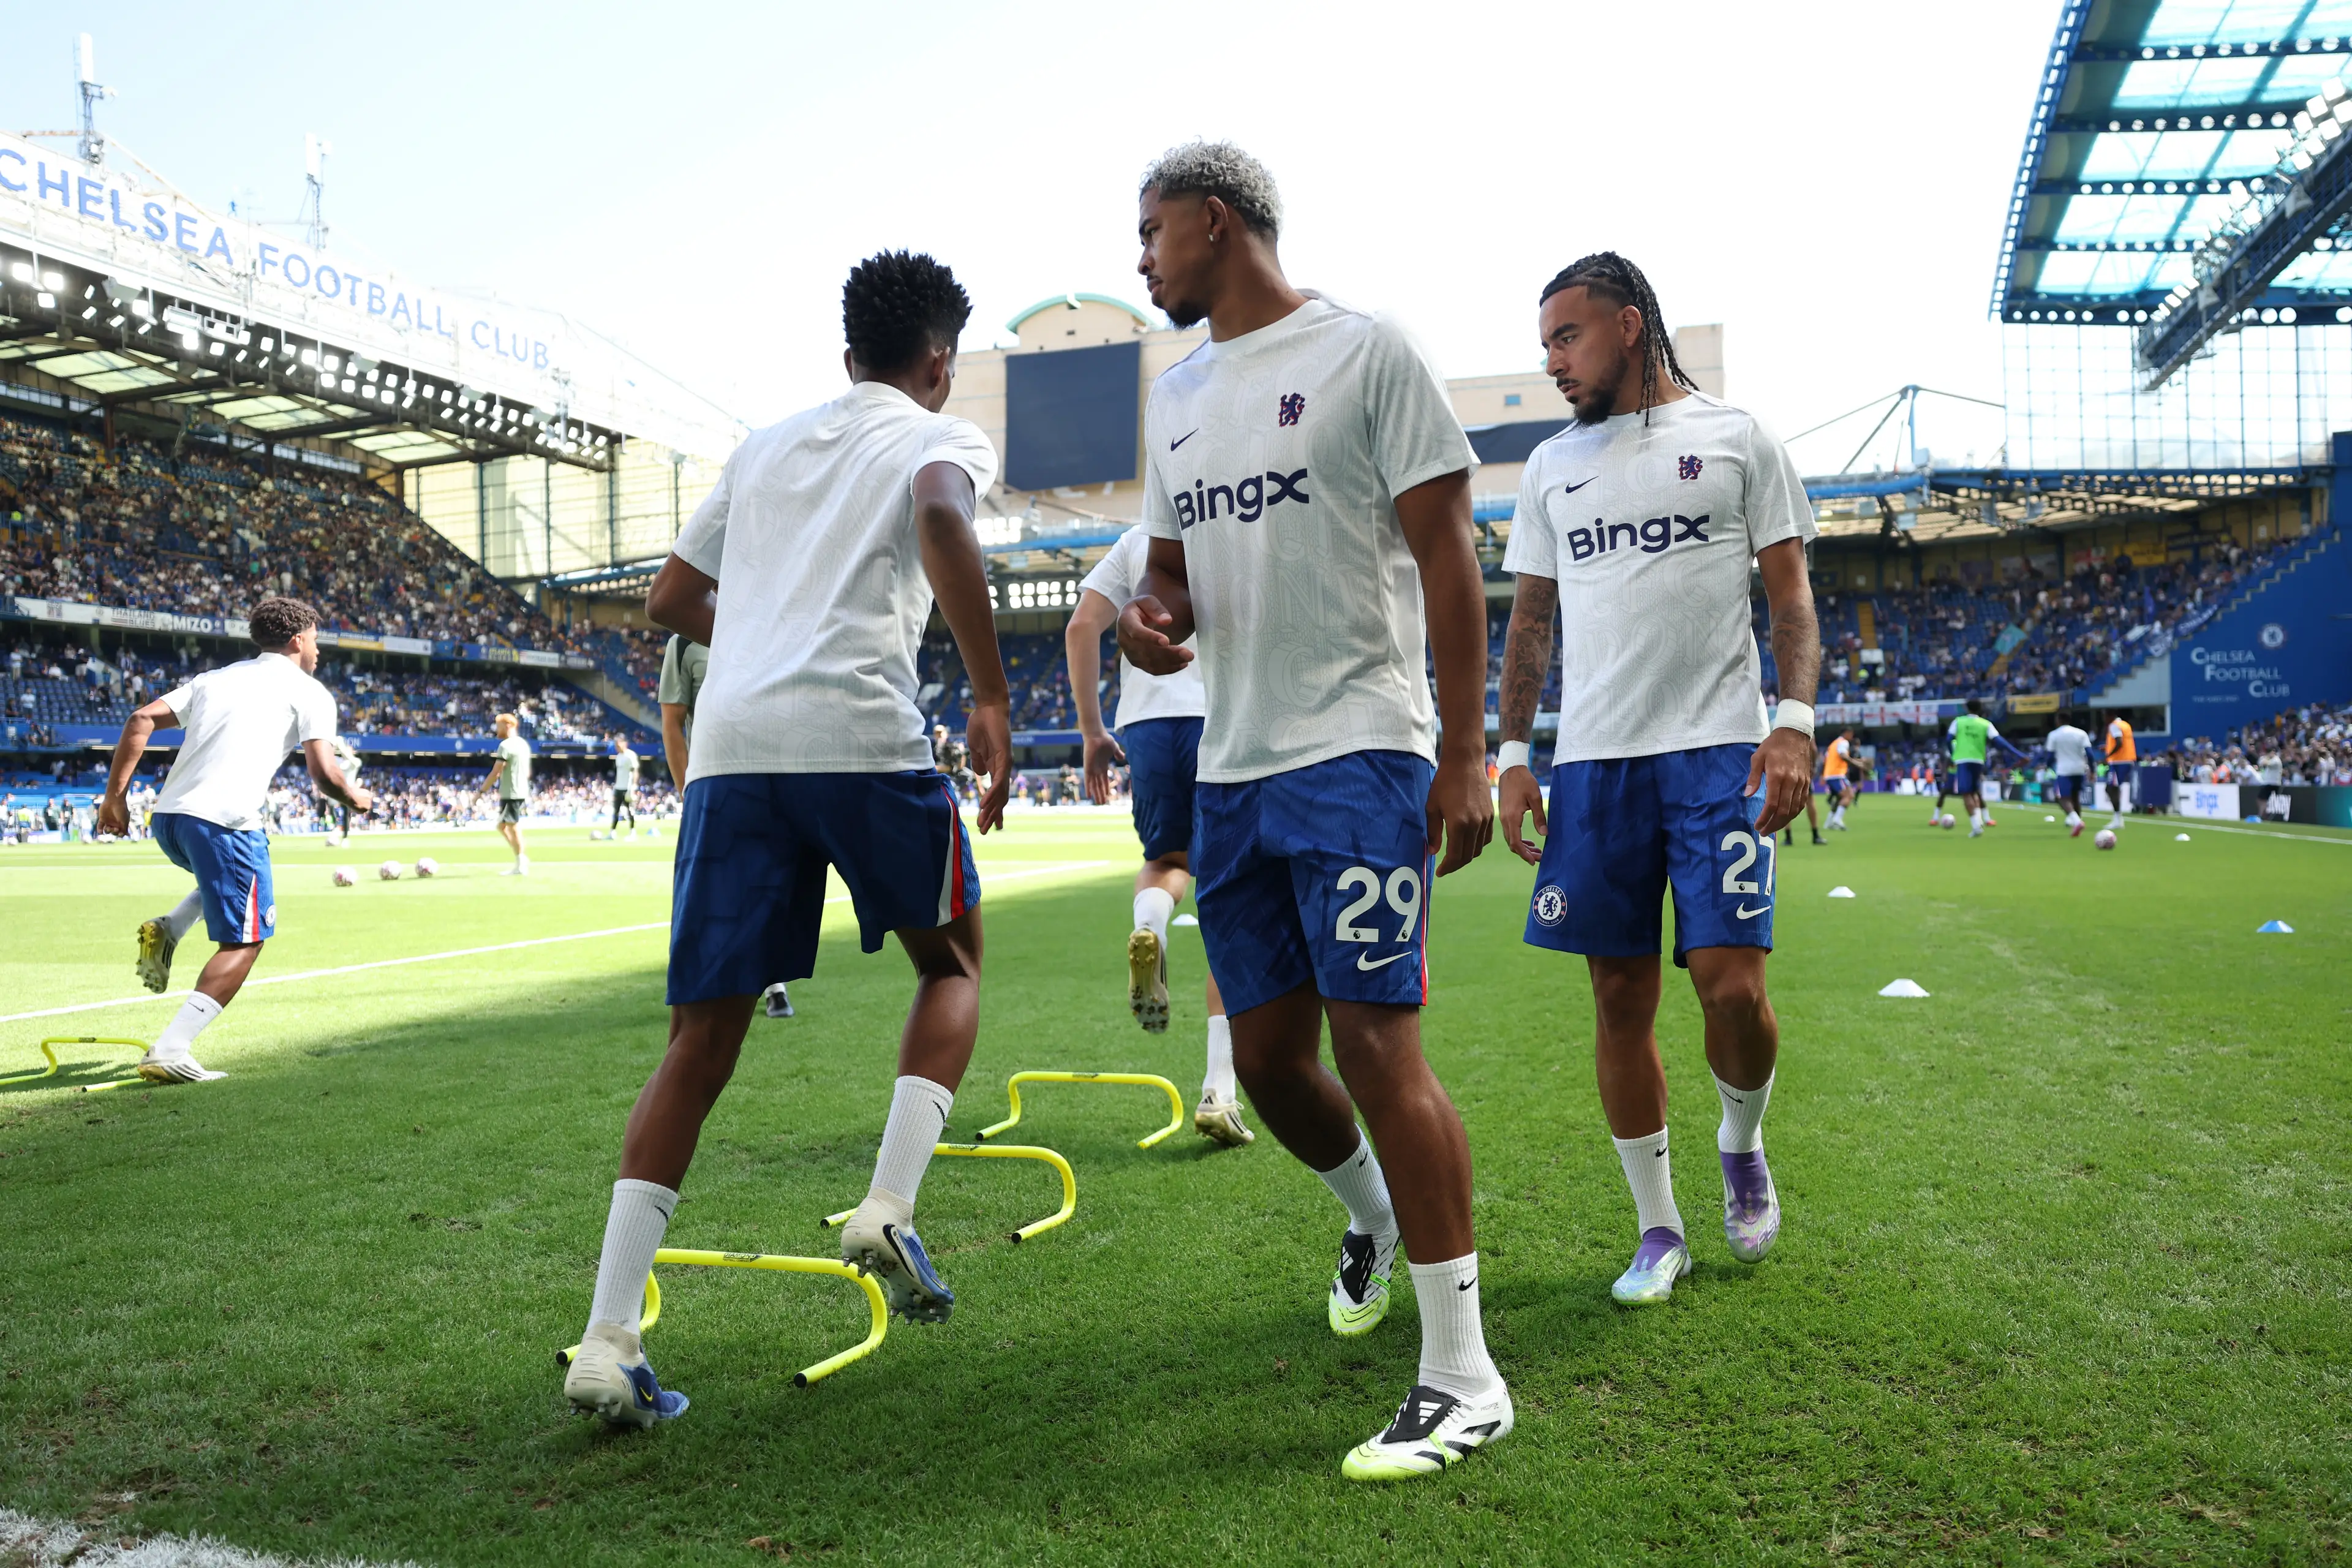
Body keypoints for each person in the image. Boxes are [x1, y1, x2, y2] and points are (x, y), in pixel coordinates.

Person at [563, 250, 1011, 1430]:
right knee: (952, 962)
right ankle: (888, 1205)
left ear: (847, 350)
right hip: (858, 733)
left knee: (696, 1040)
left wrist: (763, 629)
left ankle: (608, 1334)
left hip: (734, 744)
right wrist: (990, 693)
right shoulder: (939, 436)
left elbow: (668, 598)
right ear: (936, 362)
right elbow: (938, 515)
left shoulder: (763, 443)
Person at [1115, 142, 1505, 1480]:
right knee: (1274, 1059)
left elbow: (1450, 553)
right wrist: (1157, 625)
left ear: (1217, 224)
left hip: (1363, 749)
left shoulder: (1367, 352)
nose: (1145, 257)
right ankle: (1373, 1220)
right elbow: (1168, 574)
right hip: (1233, 767)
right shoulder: (1176, 398)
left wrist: (1467, 746)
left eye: (1154, 231)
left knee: (1378, 1039)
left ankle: (1462, 1372)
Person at [1493, 251, 1819, 1317]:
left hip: (1719, 751)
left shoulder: (1737, 438)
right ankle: (1659, 1226)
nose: (1553, 363)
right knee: (1618, 999)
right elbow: (1529, 623)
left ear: (1630, 326)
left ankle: (1742, 1141)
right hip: (1594, 763)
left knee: (1732, 987)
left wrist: (1794, 724)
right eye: (1545, 344)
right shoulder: (1548, 468)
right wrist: (1511, 755)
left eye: (1568, 338)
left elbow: (1793, 602)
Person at [100, 597, 372, 1080]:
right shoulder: (310, 692)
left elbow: (139, 720)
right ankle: (171, 1047)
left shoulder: (215, 678)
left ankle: (171, 928)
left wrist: (114, 801)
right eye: (315, 640)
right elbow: (324, 774)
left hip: (170, 821)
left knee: (228, 884)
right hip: (224, 822)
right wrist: (355, 798)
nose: (318, 651)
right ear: (297, 640)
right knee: (246, 941)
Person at [1066, 521, 1250, 1146]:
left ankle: (1151, 925)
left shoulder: (1136, 541)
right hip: (1221, 713)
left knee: (1165, 858)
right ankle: (1218, 1092)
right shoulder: (1232, 509)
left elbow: (1080, 627)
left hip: (1145, 724)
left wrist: (1093, 730)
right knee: (1233, 902)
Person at [662, 633, 790, 1019]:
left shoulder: (771, 622)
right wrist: (688, 790)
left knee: (765, 887)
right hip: (714, 786)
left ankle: (774, 987)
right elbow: (672, 721)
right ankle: (696, 992)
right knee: (705, 892)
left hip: (771, 780)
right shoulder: (684, 642)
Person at [1948, 698, 2026, 839]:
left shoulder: (1958, 722)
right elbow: (2000, 741)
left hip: (1963, 760)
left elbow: (1949, 739)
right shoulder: (1986, 724)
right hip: (1978, 760)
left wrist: (1953, 755)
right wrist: (2018, 755)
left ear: (1966, 708)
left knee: (1966, 793)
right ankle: (1979, 822)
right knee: (1975, 792)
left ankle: (1976, 826)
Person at [476, 713, 532, 873]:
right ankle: (521, 857)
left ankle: (521, 861)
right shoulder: (523, 745)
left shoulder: (506, 746)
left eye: (498, 726)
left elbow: (496, 773)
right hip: (520, 790)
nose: (496, 729)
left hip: (511, 792)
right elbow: (526, 772)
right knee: (502, 826)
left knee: (513, 827)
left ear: (508, 726)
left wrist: (481, 792)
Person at [2046, 718, 2091, 836]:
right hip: (2080, 769)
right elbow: (2090, 754)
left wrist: (2048, 765)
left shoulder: (2054, 735)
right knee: (2076, 797)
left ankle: (2077, 822)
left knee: (2061, 797)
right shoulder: (2081, 733)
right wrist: (2093, 771)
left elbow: (2050, 755)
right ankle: (2077, 826)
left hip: (2064, 770)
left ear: (2058, 721)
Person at [2102, 711, 2137, 824]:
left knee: (2111, 788)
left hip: (2118, 762)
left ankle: (2118, 819)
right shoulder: (2125, 725)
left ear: (2110, 716)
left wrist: (2108, 756)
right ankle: (2117, 818)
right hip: (2128, 760)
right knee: (2114, 788)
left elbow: (2119, 742)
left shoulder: (2114, 725)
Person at [1820, 727, 1856, 831]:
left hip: (1829, 775)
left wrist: (1823, 775)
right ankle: (1837, 819)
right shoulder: (1843, 742)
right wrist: (1855, 763)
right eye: (1851, 734)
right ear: (1847, 733)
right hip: (1838, 775)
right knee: (1849, 795)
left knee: (1840, 799)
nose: (1852, 737)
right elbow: (1843, 755)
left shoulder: (1833, 744)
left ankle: (1828, 823)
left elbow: (1826, 760)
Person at [610, 737, 640, 839]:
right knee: (616, 811)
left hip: (627, 788)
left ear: (624, 744)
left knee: (630, 810)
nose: (617, 748)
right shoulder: (618, 757)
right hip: (618, 787)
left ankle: (632, 832)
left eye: (618, 745)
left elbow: (635, 771)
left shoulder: (631, 755)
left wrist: (634, 787)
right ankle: (613, 832)